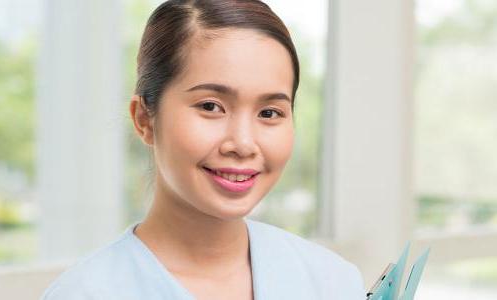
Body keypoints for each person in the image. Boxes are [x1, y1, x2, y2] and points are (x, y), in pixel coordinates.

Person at [41, 0, 366, 299]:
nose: (242, 143)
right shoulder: (85, 293)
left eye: (269, 113)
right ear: (144, 120)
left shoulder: (333, 282)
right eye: (211, 106)